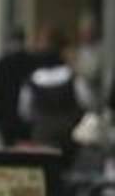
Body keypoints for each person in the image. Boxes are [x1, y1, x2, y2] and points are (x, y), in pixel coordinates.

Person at [19, 29, 96, 168]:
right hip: (68, 136)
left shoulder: (33, 80)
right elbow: (86, 102)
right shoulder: (73, 78)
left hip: (42, 135)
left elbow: (24, 111)